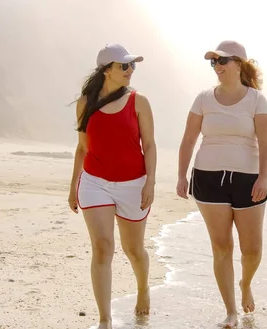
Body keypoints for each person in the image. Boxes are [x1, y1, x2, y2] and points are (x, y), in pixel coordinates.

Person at [176, 40, 267, 328]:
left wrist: (264, 178)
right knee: (221, 247)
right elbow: (189, 139)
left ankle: (245, 283)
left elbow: (266, 144)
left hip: (248, 179)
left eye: (222, 61)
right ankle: (230, 310)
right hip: (208, 177)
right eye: (213, 62)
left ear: (239, 64)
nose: (217, 67)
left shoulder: (257, 100)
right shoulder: (204, 98)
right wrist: (182, 175)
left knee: (252, 250)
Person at [67, 44, 157, 329]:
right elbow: (82, 149)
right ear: (107, 70)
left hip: (134, 184)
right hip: (94, 183)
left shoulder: (139, 101)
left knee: (134, 250)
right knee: (103, 247)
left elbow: (150, 145)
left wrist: (150, 182)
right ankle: (105, 320)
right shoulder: (85, 103)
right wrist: (73, 187)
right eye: (124, 66)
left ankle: (143, 288)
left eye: (132, 66)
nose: (130, 71)